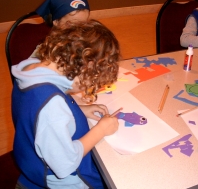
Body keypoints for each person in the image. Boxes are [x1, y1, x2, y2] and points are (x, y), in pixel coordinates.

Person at [12, 19, 121, 189]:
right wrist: (101, 130)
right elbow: (65, 164)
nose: (85, 88)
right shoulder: (52, 106)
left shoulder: (29, 70)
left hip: (30, 160)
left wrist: (80, 109)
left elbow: (38, 115)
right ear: (87, 67)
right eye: (90, 81)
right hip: (64, 181)